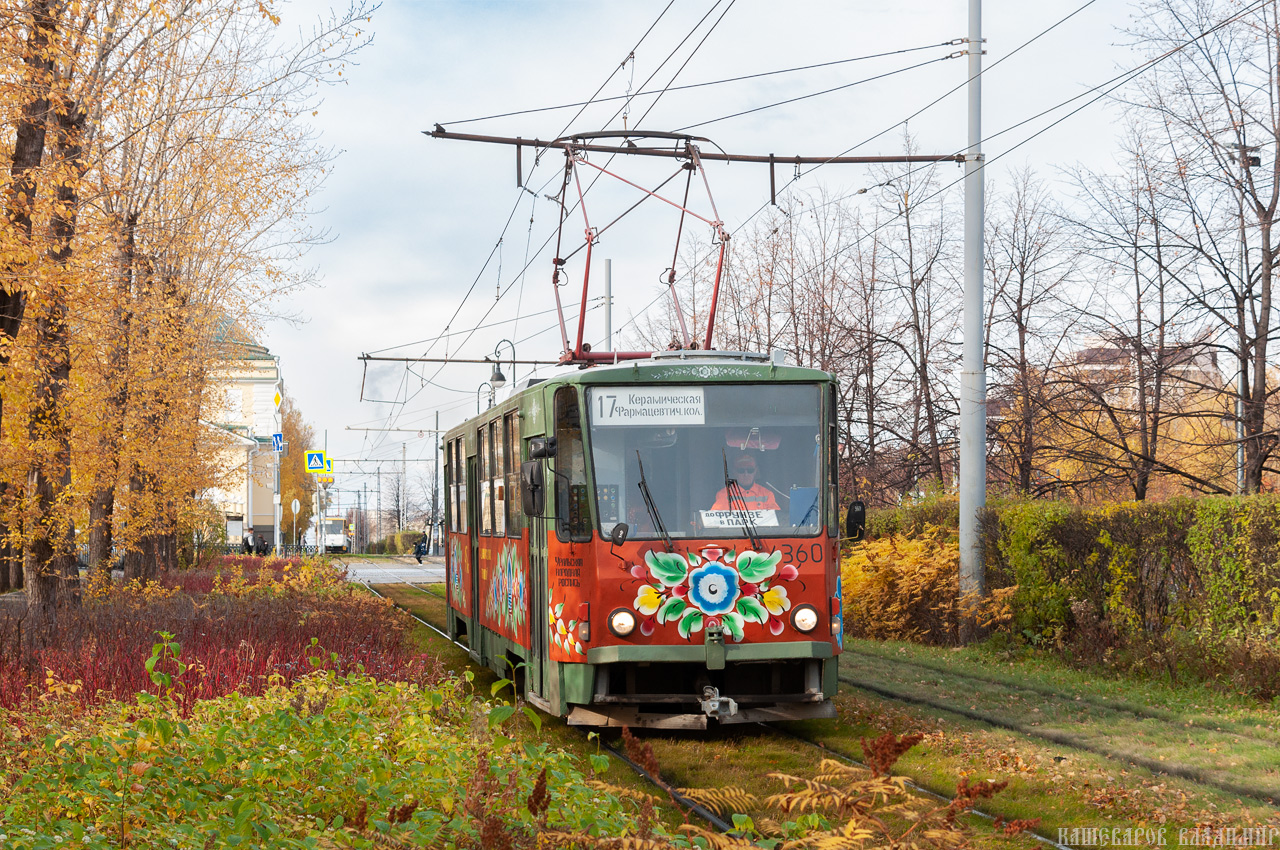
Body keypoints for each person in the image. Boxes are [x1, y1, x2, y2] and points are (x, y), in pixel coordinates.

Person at [711, 454, 780, 511]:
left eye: (750, 470)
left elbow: (777, 519)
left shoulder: (767, 494)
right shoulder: (724, 494)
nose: (746, 474)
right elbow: (715, 519)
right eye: (741, 470)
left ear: (756, 471)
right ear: (734, 471)